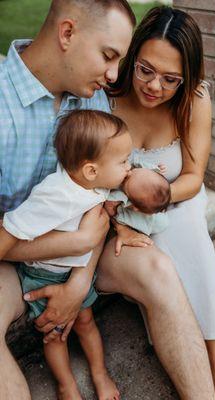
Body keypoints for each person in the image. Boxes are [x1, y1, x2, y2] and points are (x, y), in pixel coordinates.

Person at [0, 1, 215, 399]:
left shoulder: (93, 99)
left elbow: (103, 200)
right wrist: (75, 244)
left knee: (159, 269)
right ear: (68, 34)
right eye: (108, 55)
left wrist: (80, 278)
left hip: (87, 250)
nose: (116, 75)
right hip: (13, 260)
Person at [105, 5, 215, 400]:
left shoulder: (194, 99)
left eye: (171, 79)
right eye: (145, 70)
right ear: (132, 57)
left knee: (185, 224)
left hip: (176, 196)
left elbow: (192, 176)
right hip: (119, 212)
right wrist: (126, 213)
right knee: (172, 242)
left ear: (187, 78)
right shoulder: (108, 94)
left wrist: (157, 199)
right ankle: (211, 365)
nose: (154, 87)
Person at [0, 109, 132, 400]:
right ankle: (66, 384)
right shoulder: (55, 195)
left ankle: (99, 373)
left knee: (86, 323)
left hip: (75, 272)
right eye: (123, 161)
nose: (129, 168)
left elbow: (114, 206)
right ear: (91, 171)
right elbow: (13, 226)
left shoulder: (95, 185)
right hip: (41, 276)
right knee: (55, 336)